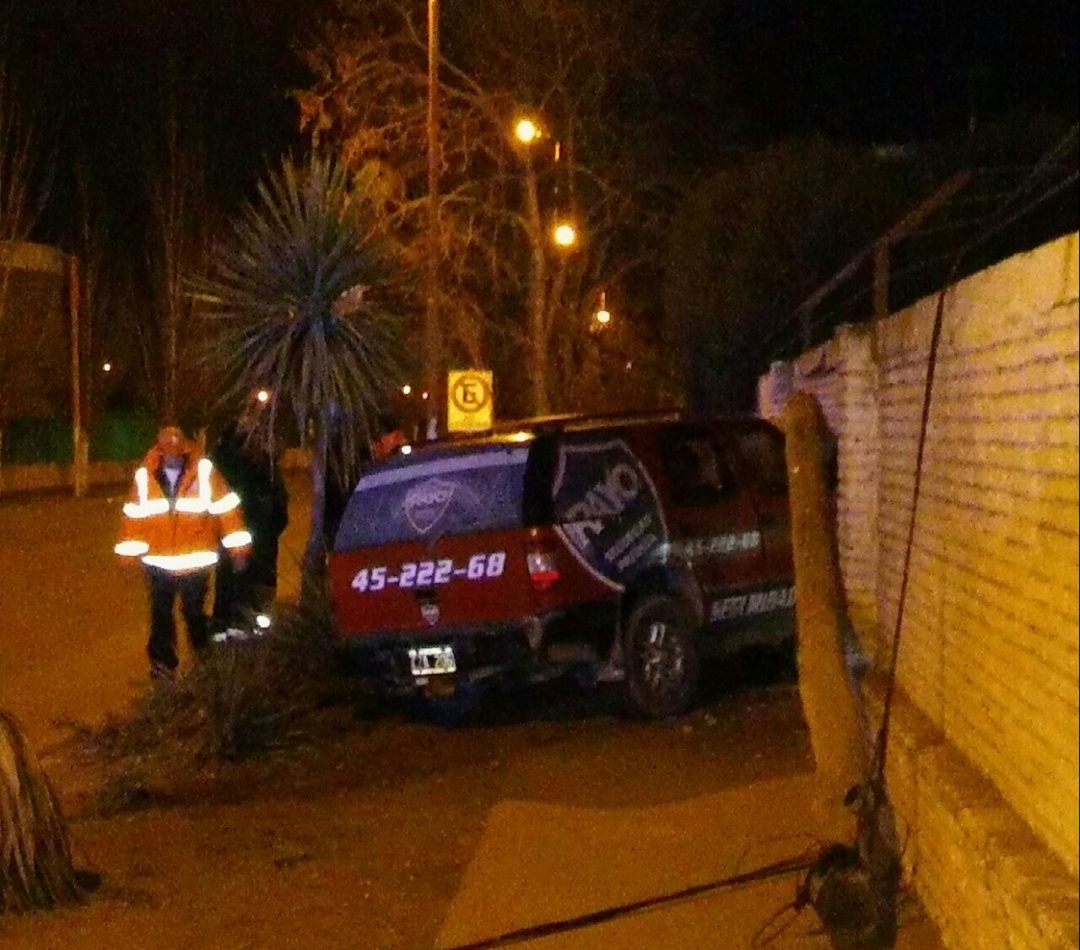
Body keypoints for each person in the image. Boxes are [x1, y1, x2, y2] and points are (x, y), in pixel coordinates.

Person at [115, 425, 252, 682]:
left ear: (185, 449)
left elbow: (227, 510)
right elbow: (134, 516)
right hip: (158, 563)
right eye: (168, 453)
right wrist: (128, 555)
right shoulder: (145, 477)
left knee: (193, 613)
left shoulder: (204, 473)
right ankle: (162, 665)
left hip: (196, 563)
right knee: (160, 616)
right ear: (160, 450)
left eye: (177, 453)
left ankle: (204, 659)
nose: (173, 458)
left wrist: (238, 549)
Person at [208, 415, 289, 632]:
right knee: (256, 598)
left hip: (234, 548)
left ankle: (227, 637)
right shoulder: (265, 467)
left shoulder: (219, 466)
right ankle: (253, 636)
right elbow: (280, 509)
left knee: (230, 596)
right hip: (259, 547)